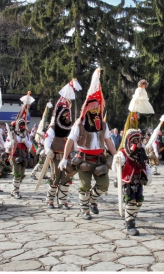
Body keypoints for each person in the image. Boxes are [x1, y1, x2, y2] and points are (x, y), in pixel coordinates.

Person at [59, 68, 116, 220]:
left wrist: (116, 156)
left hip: (100, 159)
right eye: (93, 108)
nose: (96, 110)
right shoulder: (79, 124)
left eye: (98, 108)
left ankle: (92, 200)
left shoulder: (103, 125)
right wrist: (65, 158)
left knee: (104, 185)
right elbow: (70, 141)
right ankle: (85, 211)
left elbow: (108, 141)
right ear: (87, 109)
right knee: (84, 186)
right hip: (84, 159)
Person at [44, 78, 82, 209]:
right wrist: (47, 149)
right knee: (55, 178)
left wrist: (76, 152)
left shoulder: (70, 128)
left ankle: (62, 201)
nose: (67, 117)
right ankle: (50, 200)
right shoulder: (53, 127)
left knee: (66, 179)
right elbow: (47, 140)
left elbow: (74, 141)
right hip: (56, 157)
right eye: (65, 115)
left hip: (68, 157)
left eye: (68, 115)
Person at [112, 129, 152, 236]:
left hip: (139, 179)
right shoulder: (123, 153)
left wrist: (148, 174)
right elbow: (116, 168)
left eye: (139, 140)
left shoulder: (141, 152)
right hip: (128, 181)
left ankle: (131, 217)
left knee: (139, 201)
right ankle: (130, 224)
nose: (138, 143)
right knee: (131, 201)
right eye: (135, 141)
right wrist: (117, 162)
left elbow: (146, 164)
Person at [5, 92, 34, 199]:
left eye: (23, 124)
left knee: (21, 175)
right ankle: (15, 191)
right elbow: (7, 145)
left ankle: (15, 188)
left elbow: (30, 144)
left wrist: (24, 141)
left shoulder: (25, 134)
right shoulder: (12, 134)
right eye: (20, 125)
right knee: (17, 174)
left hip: (23, 156)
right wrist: (11, 143)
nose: (22, 126)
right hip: (14, 155)